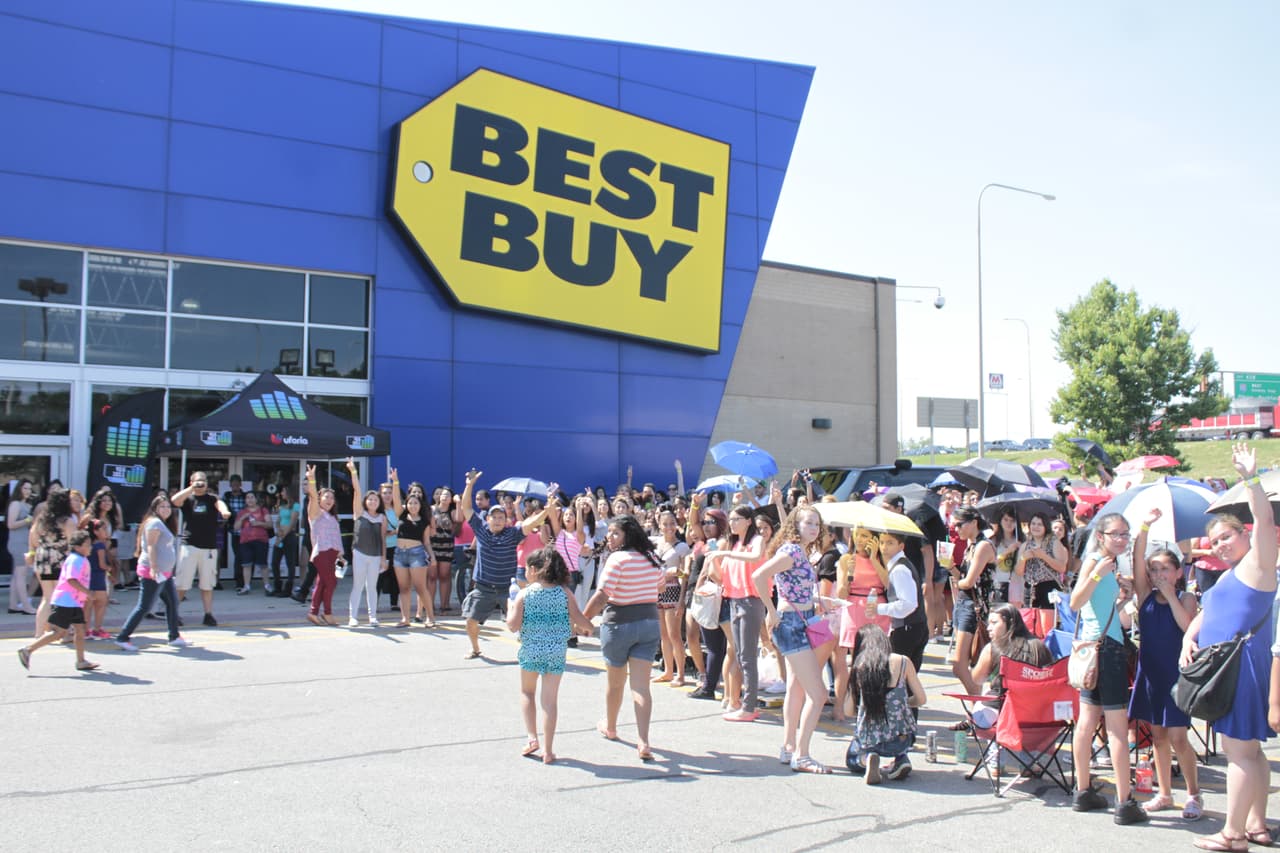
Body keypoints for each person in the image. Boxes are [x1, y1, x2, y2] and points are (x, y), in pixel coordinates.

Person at [1182, 444, 1276, 851]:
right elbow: (1209, 612)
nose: (1219, 545)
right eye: (1214, 541)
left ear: (1244, 534)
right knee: (1251, 755)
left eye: (1226, 536)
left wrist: (1249, 479)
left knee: (1238, 754)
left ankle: (1233, 833)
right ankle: (1255, 824)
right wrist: (1190, 635)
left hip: (1240, 669)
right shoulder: (1231, 575)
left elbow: (1265, 519)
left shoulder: (1258, 563)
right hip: (1233, 668)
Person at [1068, 511, 1146, 825]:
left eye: (1125, 534)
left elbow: (1094, 607)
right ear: (1101, 536)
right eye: (1117, 534)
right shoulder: (1097, 563)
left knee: (1087, 722)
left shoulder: (1107, 564)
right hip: (1106, 649)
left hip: (1093, 647)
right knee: (1114, 726)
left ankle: (1084, 789)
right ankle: (1124, 800)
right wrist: (1100, 575)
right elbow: (1075, 601)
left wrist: (1116, 588)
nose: (1122, 539)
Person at [1127, 511, 1202, 820]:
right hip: (1151, 675)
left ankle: (1194, 794)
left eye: (1166, 570)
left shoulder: (1185, 598)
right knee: (1157, 736)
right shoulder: (1144, 595)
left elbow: (1187, 627)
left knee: (1178, 737)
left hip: (1176, 676)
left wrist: (1171, 595)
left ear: (1178, 573)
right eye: (1154, 570)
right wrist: (1144, 526)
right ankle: (1165, 793)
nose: (1159, 575)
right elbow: (1136, 557)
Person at [754, 506, 835, 773]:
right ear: (795, 526)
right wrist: (771, 610)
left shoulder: (799, 551)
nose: (813, 527)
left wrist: (818, 601)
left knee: (796, 688)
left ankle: (789, 747)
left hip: (797, 620)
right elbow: (759, 575)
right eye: (808, 523)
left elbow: (790, 588)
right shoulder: (791, 551)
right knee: (818, 693)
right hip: (791, 625)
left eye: (816, 523)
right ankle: (802, 754)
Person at [583, 514, 665, 761]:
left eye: (615, 533)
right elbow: (660, 586)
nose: (610, 537)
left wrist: (583, 621)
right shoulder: (651, 558)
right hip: (649, 622)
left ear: (627, 535)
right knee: (641, 686)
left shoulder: (617, 559)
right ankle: (644, 740)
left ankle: (610, 726)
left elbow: (602, 595)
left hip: (619, 624)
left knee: (615, 682)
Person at [506, 546, 593, 764]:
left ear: (534, 570)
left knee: (527, 692)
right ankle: (548, 749)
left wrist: (510, 605)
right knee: (550, 701)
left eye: (526, 568)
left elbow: (512, 625)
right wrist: (588, 627)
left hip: (531, 650)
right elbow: (580, 619)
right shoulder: (564, 592)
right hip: (556, 651)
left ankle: (532, 737)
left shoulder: (525, 594)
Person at [458, 470, 555, 659]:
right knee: (470, 621)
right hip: (483, 588)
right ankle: (476, 648)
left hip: (507, 589)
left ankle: (532, 651)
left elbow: (530, 524)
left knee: (524, 621)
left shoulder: (512, 533)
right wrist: (469, 485)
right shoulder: (482, 530)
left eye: (501, 517)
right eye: (494, 517)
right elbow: (466, 508)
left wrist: (547, 509)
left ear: (506, 520)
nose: (497, 520)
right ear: (488, 519)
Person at [703, 505, 768, 722]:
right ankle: (739, 701)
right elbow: (722, 576)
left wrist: (725, 552)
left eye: (737, 519)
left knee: (747, 656)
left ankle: (749, 706)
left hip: (752, 600)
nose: (732, 523)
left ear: (749, 520)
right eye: (730, 519)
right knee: (741, 655)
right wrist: (713, 559)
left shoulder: (755, 540)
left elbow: (757, 556)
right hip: (734, 600)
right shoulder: (734, 543)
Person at [844, 623, 927, 783]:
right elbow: (921, 699)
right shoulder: (903, 661)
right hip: (900, 738)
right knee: (899, 741)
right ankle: (900, 760)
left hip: (869, 738)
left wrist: (863, 708)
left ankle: (865, 759)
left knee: (851, 759)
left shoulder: (860, 666)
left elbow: (848, 710)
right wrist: (904, 704)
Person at [17, 530, 99, 673]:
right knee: (58, 633)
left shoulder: (81, 559)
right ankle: (28, 650)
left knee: (80, 630)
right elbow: (71, 579)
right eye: (87, 545)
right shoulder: (75, 560)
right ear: (78, 547)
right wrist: (88, 592)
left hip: (74, 602)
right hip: (65, 601)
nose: (90, 547)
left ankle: (81, 661)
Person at [115, 493, 188, 651]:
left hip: (164, 573)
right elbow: (151, 546)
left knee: (172, 602)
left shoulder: (163, 523)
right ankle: (123, 637)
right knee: (144, 606)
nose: (166, 509)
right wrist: (154, 567)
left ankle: (174, 636)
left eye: (168, 506)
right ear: (155, 508)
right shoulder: (154, 523)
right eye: (162, 506)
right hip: (154, 572)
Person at [172, 471, 231, 627]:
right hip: (189, 545)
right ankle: (173, 613)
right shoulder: (188, 499)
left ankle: (208, 614)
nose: (201, 484)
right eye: (198, 481)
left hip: (209, 548)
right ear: (191, 482)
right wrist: (191, 488)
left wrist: (224, 512)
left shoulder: (212, 499)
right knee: (182, 583)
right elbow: (174, 501)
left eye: (203, 481)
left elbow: (221, 504)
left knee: (207, 583)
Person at [948, 506, 994, 695]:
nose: (956, 529)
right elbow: (962, 578)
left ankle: (978, 710)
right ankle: (978, 713)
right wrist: (950, 567)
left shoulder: (983, 545)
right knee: (965, 665)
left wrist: (959, 582)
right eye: (954, 526)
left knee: (960, 665)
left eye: (959, 525)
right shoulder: (971, 545)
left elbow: (969, 581)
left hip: (975, 606)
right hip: (964, 603)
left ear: (974, 523)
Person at [869, 529, 928, 676]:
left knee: (898, 677)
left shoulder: (899, 569)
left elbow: (908, 604)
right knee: (905, 677)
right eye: (882, 543)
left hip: (907, 628)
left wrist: (879, 608)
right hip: (913, 626)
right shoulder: (897, 566)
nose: (884, 547)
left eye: (890, 543)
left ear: (901, 546)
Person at [388, 469, 435, 628]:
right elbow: (395, 498)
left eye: (416, 503)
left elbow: (427, 542)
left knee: (421, 587)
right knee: (404, 588)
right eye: (410, 503)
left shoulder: (424, 521)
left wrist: (432, 557)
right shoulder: (401, 514)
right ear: (406, 504)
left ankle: (430, 617)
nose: (413, 505)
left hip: (417, 554)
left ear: (419, 505)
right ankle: (405, 618)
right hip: (399, 554)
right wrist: (395, 481)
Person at [652, 509, 691, 684]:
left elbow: (685, 576)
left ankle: (680, 674)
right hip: (656, 591)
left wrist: (681, 601)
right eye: (665, 524)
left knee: (674, 635)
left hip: (674, 591)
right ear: (659, 525)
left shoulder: (682, 547)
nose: (669, 527)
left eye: (672, 523)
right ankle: (668, 671)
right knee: (663, 636)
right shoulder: (654, 544)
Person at [31, 488, 77, 638]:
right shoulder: (67, 521)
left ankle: (39, 633)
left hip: (43, 559)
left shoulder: (42, 519)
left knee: (47, 597)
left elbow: (33, 538)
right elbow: (73, 544)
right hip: (59, 561)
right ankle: (62, 632)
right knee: (62, 597)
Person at [304, 462, 344, 626]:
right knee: (331, 582)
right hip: (322, 552)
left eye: (332, 498)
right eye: (326, 497)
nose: (329, 500)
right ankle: (327, 613)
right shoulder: (316, 512)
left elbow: (337, 537)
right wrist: (312, 480)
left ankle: (313, 612)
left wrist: (340, 553)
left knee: (322, 583)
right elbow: (313, 497)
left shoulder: (332, 516)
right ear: (320, 499)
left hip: (333, 553)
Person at [348, 464, 387, 628]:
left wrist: (384, 559)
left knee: (372, 587)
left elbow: (383, 539)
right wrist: (353, 471)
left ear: (379, 502)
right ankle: (353, 616)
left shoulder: (382, 518)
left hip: (376, 556)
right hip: (360, 553)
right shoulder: (359, 513)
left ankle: (373, 617)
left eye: (375, 499)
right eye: (370, 499)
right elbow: (357, 490)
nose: (372, 501)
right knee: (357, 586)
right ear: (365, 501)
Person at [1018, 512, 1068, 636]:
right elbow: (1019, 571)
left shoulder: (1053, 542)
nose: (1036, 527)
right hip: (1030, 588)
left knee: (1047, 630)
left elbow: (1062, 567)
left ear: (1045, 526)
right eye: (1033, 524)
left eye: (1039, 524)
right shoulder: (1025, 545)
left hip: (1048, 586)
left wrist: (1043, 556)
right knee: (1029, 628)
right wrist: (1023, 559)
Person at [7, 478, 36, 614]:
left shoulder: (27, 505)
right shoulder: (15, 504)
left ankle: (13, 605)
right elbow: (11, 524)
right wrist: (27, 520)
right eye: (25, 488)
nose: (28, 491)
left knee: (16, 575)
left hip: (25, 542)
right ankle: (26, 605)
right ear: (19, 489)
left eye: (30, 489)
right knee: (21, 575)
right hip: (18, 544)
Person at [234, 491, 271, 594]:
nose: (250, 500)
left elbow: (269, 524)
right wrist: (242, 518)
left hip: (261, 540)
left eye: (252, 497)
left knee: (263, 564)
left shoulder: (263, 510)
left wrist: (258, 523)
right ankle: (246, 586)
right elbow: (236, 528)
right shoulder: (242, 512)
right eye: (247, 498)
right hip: (245, 541)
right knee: (246, 564)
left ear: (256, 499)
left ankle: (267, 586)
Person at [81, 517, 113, 639]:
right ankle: (97, 628)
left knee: (88, 605)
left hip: (88, 578)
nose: (106, 531)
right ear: (96, 532)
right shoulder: (100, 545)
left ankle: (85, 630)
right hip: (98, 578)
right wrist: (109, 568)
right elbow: (102, 564)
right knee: (101, 603)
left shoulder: (89, 545)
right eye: (103, 529)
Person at [429, 486, 457, 613]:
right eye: (442, 494)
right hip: (432, 546)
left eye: (447, 495)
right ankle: (430, 605)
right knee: (432, 576)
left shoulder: (452, 512)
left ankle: (444, 605)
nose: (444, 497)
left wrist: (459, 502)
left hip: (447, 547)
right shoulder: (431, 510)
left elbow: (460, 519)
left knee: (444, 576)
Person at [269, 486, 300, 597]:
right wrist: (278, 532)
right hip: (281, 536)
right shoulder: (282, 507)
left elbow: (292, 523)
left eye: (283, 491)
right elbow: (278, 521)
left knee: (290, 563)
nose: (281, 493)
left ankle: (288, 589)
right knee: (274, 563)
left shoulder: (296, 506)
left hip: (289, 537)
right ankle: (277, 587)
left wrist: (281, 537)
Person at [223, 474, 247, 588]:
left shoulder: (246, 496)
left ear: (241, 485)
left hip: (247, 531)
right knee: (238, 555)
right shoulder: (227, 497)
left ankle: (245, 580)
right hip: (234, 531)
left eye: (237, 484)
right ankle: (238, 580)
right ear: (230, 485)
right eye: (233, 485)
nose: (235, 487)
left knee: (245, 556)